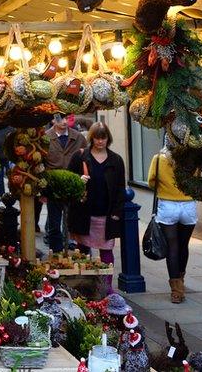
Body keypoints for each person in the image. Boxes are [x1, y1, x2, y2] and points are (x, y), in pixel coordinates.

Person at [68, 123, 126, 293]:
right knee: (83, 250)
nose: (100, 141)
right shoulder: (80, 157)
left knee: (106, 250)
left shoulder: (116, 160)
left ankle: (106, 286)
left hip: (106, 214)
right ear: (91, 138)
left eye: (103, 137)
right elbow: (68, 179)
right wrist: (78, 180)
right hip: (84, 212)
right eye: (97, 138)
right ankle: (84, 285)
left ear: (108, 138)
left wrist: (117, 212)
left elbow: (120, 188)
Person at [148, 143, 196, 303]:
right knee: (184, 245)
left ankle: (176, 291)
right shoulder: (190, 158)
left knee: (172, 247)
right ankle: (181, 279)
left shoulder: (158, 159)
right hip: (188, 204)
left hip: (167, 206)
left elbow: (151, 182)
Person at [40, 114, 87, 252]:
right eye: (60, 118)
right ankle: (56, 253)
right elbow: (40, 163)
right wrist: (42, 190)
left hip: (75, 185)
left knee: (72, 221)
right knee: (54, 223)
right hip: (53, 187)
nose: (64, 122)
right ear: (53, 120)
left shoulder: (78, 137)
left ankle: (74, 248)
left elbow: (86, 159)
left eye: (67, 118)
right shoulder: (45, 138)